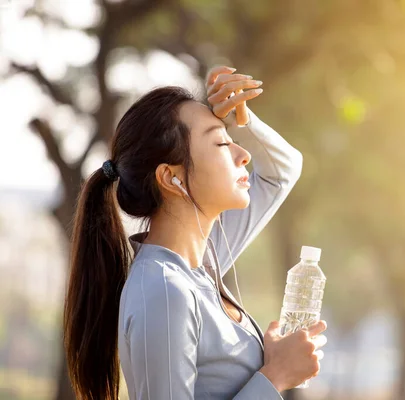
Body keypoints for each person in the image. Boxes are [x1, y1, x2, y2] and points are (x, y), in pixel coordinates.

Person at [63, 66, 328, 400]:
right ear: (171, 177)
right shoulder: (163, 289)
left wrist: (237, 120)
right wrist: (275, 376)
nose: (243, 154)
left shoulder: (203, 262)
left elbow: (282, 171)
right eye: (221, 143)